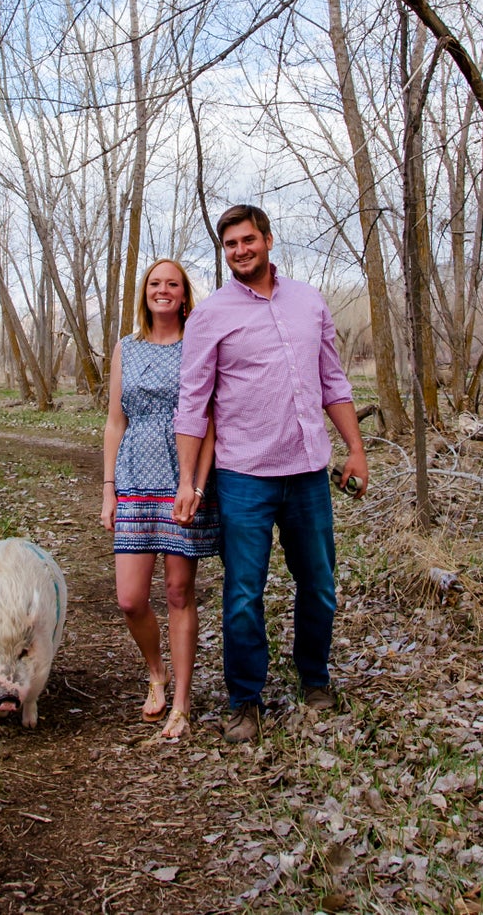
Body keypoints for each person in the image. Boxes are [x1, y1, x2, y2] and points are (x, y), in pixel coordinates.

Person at [173, 205, 368, 744]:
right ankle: (245, 700)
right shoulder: (210, 315)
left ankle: (315, 680)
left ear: (268, 239)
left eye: (247, 240)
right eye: (230, 244)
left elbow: (333, 380)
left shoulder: (309, 302)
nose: (240, 251)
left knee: (320, 587)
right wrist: (189, 480)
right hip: (244, 477)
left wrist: (355, 449)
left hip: (308, 472)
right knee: (242, 594)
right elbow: (193, 404)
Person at [101, 258, 219, 740]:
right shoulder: (125, 349)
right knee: (130, 599)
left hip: (181, 479)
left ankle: (183, 705)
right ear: (144, 292)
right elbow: (115, 421)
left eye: (172, 283)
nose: (163, 290)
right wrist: (108, 488)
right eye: (155, 283)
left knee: (177, 592)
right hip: (132, 478)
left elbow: (210, 419)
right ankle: (157, 672)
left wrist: (196, 485)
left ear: (184, 294)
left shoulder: (198, 344)